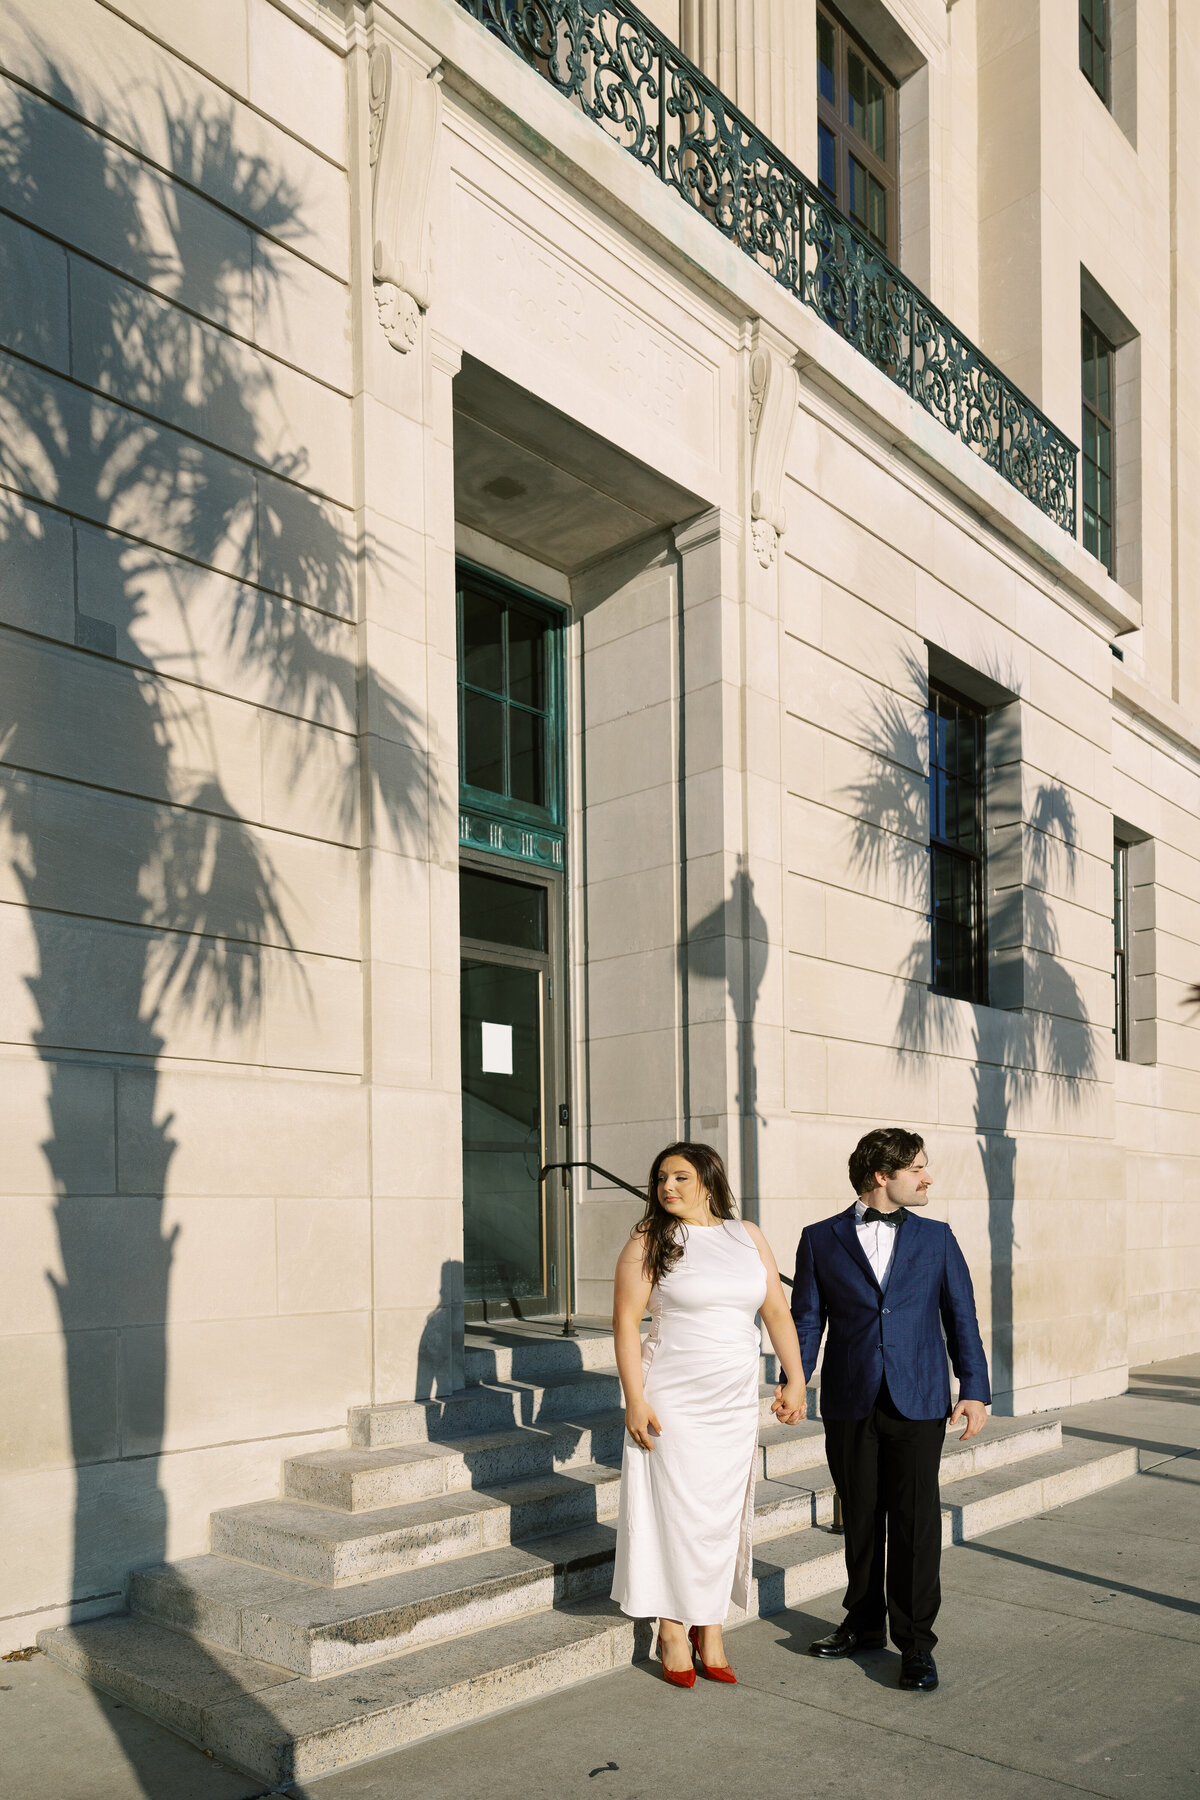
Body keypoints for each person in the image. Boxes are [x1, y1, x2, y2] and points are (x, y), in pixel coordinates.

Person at [785, 1127, 990, 1692]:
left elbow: (962, 1318)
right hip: (851, 1399)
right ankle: (863, 1623)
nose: (928, 1178)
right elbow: (807, 1320)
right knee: (860, 1519)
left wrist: (974, 1387)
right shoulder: (819, 1239)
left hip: (919, 1398)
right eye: (918, 1168)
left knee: (915, 1524)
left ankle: (917, 1645)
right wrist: (794, 1383)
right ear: (883, 1175)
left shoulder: (938, 1238)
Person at [610, 1142, 808, 1686]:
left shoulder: (748, 1237)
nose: (666, 1187)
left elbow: (775, 1310)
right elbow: (625, 1322)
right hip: (672, 1396)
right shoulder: (650, 1239)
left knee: (719, 1513)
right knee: (673, 1509)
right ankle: (672, 1626)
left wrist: (795, 1377)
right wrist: (635, 1398)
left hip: (734, 1400)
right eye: (660, 1179)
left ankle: (710, 1623)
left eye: (679, 1176)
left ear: (708, 1179)